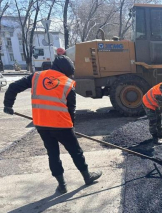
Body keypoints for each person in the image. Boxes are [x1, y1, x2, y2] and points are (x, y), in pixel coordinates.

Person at [3, 56, 102, 194]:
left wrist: (8, 105)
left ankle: (62, 185)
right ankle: (87, 177)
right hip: (62, 126)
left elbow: (13, 87)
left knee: (53, 154)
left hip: (42, 125)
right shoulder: (67, 83)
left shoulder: (37, 76)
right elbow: (70, 110)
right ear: (67, 71)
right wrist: (71, 127)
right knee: (75, 151)